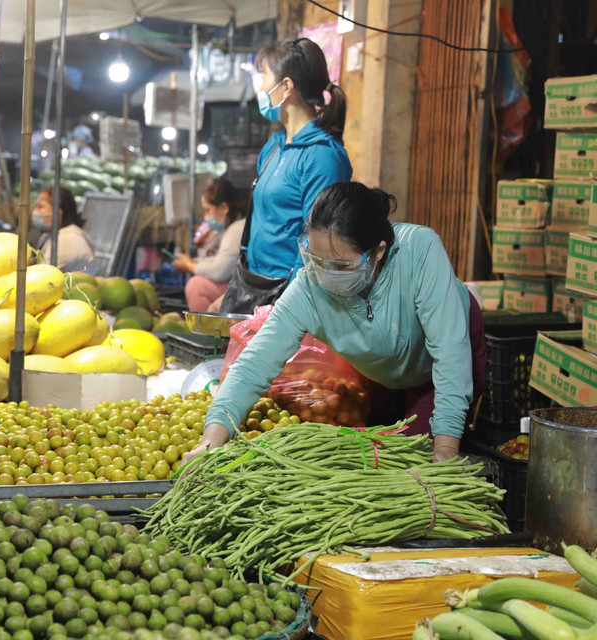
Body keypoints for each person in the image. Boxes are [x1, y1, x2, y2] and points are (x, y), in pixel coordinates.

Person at [186, 182, 487, 464]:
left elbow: (450, 355)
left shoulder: (419, 251)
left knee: (412, 456)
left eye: (341, 265)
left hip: (443, 364)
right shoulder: (309, 286)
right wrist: (211, 438)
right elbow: (254, 364)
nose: (326, 273)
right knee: (371, 455)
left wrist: (446, 448)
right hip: (384, 371)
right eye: (317, 259)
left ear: (378, 252)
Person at [209, 37, 352, 312]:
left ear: (286, 87)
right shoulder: (273, 148)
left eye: (264, 76)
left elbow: (317, 243)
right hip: (255, 287)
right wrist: (235, 289)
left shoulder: (322, 156)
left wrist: (285, 309)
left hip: (288, 299)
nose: (260, 87)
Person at [173, 179, 245, 312]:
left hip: (244, 294)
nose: (206, 217)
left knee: (196, 286)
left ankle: (203, 330)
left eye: (208, 210)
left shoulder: (237, 229)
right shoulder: (226, 229)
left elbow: (219, 271)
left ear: (224, 208)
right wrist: (197, 262)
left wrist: (190, 266)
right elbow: (222, 260)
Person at [32, 186, 96, 273]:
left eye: (40, 207)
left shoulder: (67, 240)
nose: (35, 211)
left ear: (58, 213)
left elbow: (43, 278)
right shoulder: (51, 236)